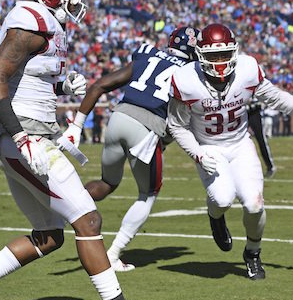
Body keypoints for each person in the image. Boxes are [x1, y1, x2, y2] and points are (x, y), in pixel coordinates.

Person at [0, 0, 174, 300]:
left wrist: (62, 83)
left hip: (29, 134)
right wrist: (21, 137)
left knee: (48, 235)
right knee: (88, 221)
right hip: (25, 136)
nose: (76, 1)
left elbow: (28, 73)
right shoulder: (28, 23)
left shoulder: (46, 24)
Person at [167, 23, 293, 280]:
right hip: (209, 147)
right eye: (213, 56)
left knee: (254, 205)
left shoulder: (247, 69)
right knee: (222, 199)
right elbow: (177, 125)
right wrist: (197, 153)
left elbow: (273, 96)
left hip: (240, 144)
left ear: (235, 52)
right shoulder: (186, 80)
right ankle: (215, 217)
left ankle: (252, 253)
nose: (219, 62)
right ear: (200, 55)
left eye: (224, 54)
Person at [59, 26, 198, 272]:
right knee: (148, 193)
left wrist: (77, 126)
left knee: (106, 183)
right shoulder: (191, 72)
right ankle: (112, 255)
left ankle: (60, 210)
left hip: (119, 117)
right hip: (146, 127)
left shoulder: (147, 54)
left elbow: (100, 85)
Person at [247, 96, 276, 177]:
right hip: (241, 111)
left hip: (254, 111)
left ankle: (270, 166)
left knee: (261, 140)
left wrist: (257, 103)